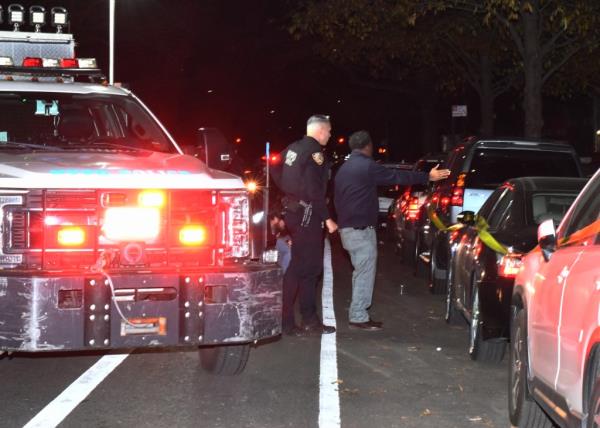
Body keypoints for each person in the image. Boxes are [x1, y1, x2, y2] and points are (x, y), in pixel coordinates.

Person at [334, 130, 450, 331]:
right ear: (367, 146)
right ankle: (358, 315)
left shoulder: (343, 169)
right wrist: (426, 176)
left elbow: (337, 199)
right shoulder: (366, 166)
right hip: (360, 230)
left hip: (347, 228)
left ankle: (358, 312)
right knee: (364, 272)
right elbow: (395, 176)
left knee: (360, 271)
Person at [271, 114, 338, 336]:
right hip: (307, 215)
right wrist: (327, 218)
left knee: (301, 267)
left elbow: (273, 167)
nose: (329, 135)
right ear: (320, 131)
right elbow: (314, 191)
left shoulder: (293, 148)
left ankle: (296, 319)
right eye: (328, 131)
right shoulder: (315, 153)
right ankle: (297, 320)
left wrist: (289, 191)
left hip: (293, 211)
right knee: (306, 270)